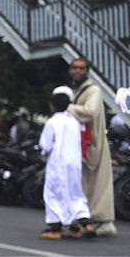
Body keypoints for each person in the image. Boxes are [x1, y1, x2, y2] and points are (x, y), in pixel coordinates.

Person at [68, 58, 117, 237]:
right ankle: (91, 220)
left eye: (81, 68)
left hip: (93, 142)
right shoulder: (80, 89)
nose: (77, 71)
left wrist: (67, 107)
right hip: (85, 143)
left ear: (87, 71)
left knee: (97, 183)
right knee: (89, 184)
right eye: (74, 68)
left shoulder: (93, 90)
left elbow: (90, 112)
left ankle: (105, 222)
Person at [39, 87, 93, 240]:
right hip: (75, 163)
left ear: (52, 105)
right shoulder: (75, 121)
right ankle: (86, 222)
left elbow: (46, 146)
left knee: (53, 193)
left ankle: (55, 227)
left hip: (58, 164)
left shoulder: (52, 122)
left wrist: (43, 155)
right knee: (75, 193)